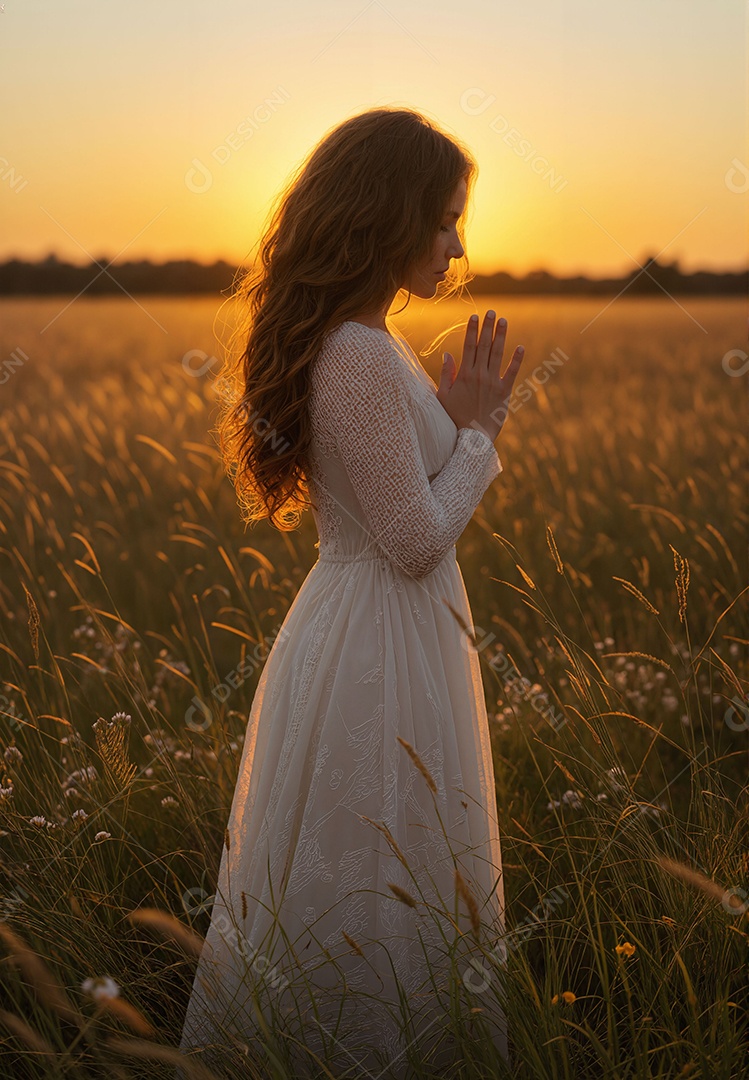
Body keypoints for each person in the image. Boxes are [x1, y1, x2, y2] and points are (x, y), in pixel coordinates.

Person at [178, 105, 525, 1079]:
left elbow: (395, 514)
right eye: (446, 217)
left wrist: (454, 426)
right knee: (378, 868)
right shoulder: (361, 353)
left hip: (375, 629)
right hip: (378, 637)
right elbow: (412, 541)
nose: (458, 245)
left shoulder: (363, 341)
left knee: (381, 869)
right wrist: (480, 434)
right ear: (391, 212)